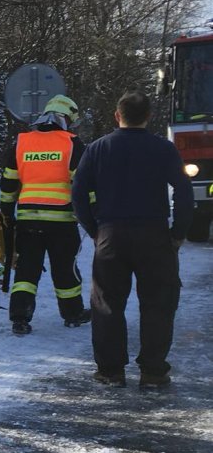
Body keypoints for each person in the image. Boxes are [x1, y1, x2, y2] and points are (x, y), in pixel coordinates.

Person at [72, 91, 194, 388]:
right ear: (149, 116)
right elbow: (183, 190)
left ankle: (111, 371)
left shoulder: (98, 149)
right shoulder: (163, 149)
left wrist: (94, 230)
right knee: (158, 304)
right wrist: (178, 232)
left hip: (111, 234)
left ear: (117, 115)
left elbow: (77, 194)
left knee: (107, 304)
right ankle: (153, 372)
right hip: (154, 235)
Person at [0, 94, 91, 335]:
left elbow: (8, 182)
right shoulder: (71, 143)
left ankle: (20, 318)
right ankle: (72, 314)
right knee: (65, 269)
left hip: (28, 220)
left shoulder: (22, 142)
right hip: (62, 221)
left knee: (26, 270)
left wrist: (6, 214)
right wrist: (93, 214)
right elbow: (83, 184)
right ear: (67, 118)